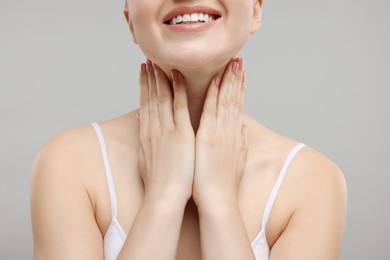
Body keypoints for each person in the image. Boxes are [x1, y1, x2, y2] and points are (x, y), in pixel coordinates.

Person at [31, 0, 347, 259]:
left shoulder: (312, 180)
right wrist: (163, 197)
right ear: (131, 23)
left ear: (255, 10)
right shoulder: (70, 163)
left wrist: (219, 200)